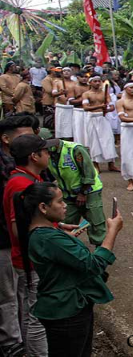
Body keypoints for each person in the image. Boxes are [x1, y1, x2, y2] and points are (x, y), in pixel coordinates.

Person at [16, 182, 123, 357]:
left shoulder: (45, 234)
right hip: (67, 312)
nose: (65, 205)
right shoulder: (49, 239)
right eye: (60, 202)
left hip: (68, 308)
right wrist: (112, 231)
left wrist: (65, 238)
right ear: (43, 207)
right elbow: (93, 265)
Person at [4, 135, 59, 356]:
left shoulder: (27, 178)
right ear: (34, 156)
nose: (49, 154)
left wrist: (57, 225)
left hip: (32, 257)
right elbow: (19, 228)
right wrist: (49, 235)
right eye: (45, 151)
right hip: (33, 260)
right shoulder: (21, 183)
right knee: (37, 317)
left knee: (32, 313)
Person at [0, 117, 35, 357]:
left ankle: (24, 336)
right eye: (25, 135)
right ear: (6, 139)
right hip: (4, 239)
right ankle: (11, 342)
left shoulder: (20, 164)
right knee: (8, 293)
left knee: (23, 290)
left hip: (20, 240)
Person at [47, 139, 107, 246]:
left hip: (89, 191)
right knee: (66, 220)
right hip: (68, 193)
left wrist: (83, 193)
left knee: (95, 220)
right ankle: (68, 248)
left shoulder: (75, 150)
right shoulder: (47, 153)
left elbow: (89, 174)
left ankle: (101, 251)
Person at [82, 75, 119, 172]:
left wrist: (106, 108)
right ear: (90, 83)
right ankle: (96, 165)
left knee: (109, 140)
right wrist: (98, 106)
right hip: (92, 119)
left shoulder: (105, 93)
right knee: (94, 142)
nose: (98, 83)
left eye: (99, 81)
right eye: (95, 81)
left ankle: (111, 164)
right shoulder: (86, 94)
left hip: (103, 118)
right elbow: (85, 107)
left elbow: (112, 107)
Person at [70, 72, 90, 147]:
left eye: (86, 77)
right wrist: (82, 99)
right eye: (82, 77)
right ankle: (79, 147)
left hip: (89, 111)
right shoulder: (74, 87)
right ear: (78, 78)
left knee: (88, 130)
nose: (84, 78)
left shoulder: (90, 87)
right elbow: (71, 101)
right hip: (78, 111)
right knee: (79, 131)